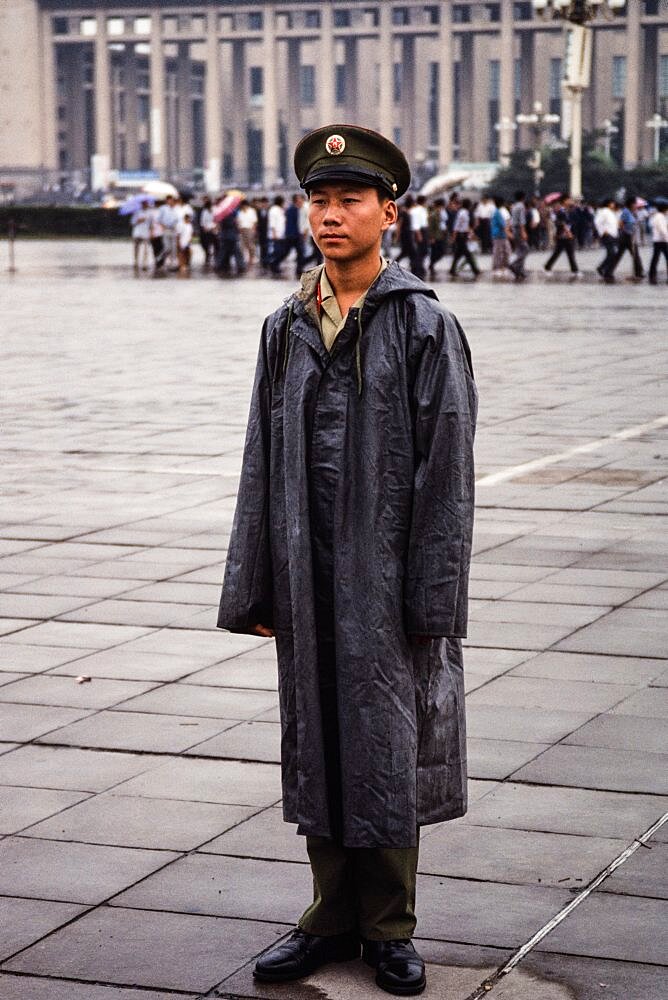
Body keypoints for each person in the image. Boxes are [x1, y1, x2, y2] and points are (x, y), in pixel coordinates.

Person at [218, 123, 477, 997]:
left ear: (387, 212)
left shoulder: (424, 325)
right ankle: (327, 915)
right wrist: (255, 581)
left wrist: (430, 597)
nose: (330, 215)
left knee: (386, 745)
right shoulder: (284, 325)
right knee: (319, 735)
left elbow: (448, 473)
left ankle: (389, 927)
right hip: (305, 571)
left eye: (349, 200)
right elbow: (261, 455)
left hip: (388, 582)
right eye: (320, 201)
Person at [543, 195, 581, 277]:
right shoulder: (561, 211)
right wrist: (568, 232)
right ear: (565, 201)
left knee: (563, 253)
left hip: (565, 235)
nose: (571, 201)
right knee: (566, 253)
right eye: (569, 200)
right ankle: (575, 270)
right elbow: (561, 223)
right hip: (563, 235)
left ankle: (548, 267)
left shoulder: (567, 210)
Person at [610, 196, 644, 281]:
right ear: (631, 204)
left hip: (630, 236)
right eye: (635, 204)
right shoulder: (626, 212)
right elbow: (620, 223)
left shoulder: (632, 212)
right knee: (630, 255)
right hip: (626, 237)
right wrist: (626, 231)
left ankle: (638, 272)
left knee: (633, 255)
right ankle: (638, 272)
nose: (637, 205)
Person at [449, 197, 480, 278]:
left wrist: (470, 234)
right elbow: (457, 225)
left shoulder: (465, 212)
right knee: (467, 253)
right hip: (461, 235)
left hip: (464, 234)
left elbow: (465, 225)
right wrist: (454, 236)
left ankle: (452, 269)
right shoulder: (462, 213)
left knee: (458, 254)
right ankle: (475, 270)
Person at [595, 197, 619, 284]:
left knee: (611, 254)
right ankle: (604, 270)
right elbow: (597, 222)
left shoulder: (610, 212)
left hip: (612, 235)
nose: (613, 204)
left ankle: (604, 270)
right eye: (612, 203)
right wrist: (603, 231)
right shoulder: (604, 211)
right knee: (612, 253)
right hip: (607, 235)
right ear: (608, 204)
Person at [509, 190, 529, 280]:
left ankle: (519, 271)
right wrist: (523, 232)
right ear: (523, 197)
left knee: (519, 250)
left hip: (514, 229)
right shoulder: (521, 206)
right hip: (518, 230)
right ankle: (514, 265)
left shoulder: (514, 206)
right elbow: (521, 221)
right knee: (525, 249)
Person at [490, 195, 512, 276]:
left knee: (506, 251)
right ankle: (496, 268)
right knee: (498, 252)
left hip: (501, 235)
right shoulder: (497, 212)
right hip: (499, 235)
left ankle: (504, 267)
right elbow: (503, 225)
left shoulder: (497, 211)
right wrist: (509, 234)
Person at [648, 201, 668, 284]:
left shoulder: (659, 216)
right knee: (656, 258)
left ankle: (652, 275)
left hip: (659, 240)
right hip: (661, 240)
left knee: (655, 258)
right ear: (664, 209)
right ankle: (652, 275)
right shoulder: (659, 217)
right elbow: (662, 229)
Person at [269, 195, 287, 275]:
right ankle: (274, 266)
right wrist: (274, 233)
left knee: (281, 251)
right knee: (278, 252)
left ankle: (274, 265)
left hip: (281, 234)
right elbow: (272, 223)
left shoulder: (281, 210)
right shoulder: (273, 210)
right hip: (276, 235)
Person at [131, 199, 151, 272]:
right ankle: (136, 261)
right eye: (143, 204)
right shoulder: (137, 212)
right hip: (137, 232)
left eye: (146, 204)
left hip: (145, 232)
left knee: (146, 249)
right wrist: (138, 220)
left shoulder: (149, 213)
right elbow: (132, 222)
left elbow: (151, 223)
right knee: (136, 247)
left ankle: (144, 263)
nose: (145, 205)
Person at [198, 196, 218, 268]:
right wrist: (205, 228)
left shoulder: (215, 210)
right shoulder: (204, 212)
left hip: (214, 230)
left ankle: (216, 258)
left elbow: (217, 220)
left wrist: (215, 227)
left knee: (216, 245)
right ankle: (207, 256)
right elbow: (203, 221)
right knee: (206, 245)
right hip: (207, 230)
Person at [238, 199, 258, 266]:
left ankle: (252, 258)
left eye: (244, 206)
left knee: (250, 245)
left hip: (249, 229)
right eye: (242, 206)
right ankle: (243, 259)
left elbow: (255, 222)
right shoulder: (240, 212)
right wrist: (239, 228)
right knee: (242, 245)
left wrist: (253, 230)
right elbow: (239, 221)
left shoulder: (252, 211)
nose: (243, 207)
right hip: (242, 230)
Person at [176, 206, 193, 275]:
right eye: (188, 219)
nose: (189, 220)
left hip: (188, 242)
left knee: (188, 254)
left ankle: (186, 264)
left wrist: (190, 240)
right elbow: (178, 234)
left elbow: (191, 233)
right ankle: (181, 265)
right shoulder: (181, 225)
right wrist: (178, 242)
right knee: (181, 254)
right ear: (185, 218)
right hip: (182, 241)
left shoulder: (190, 225)